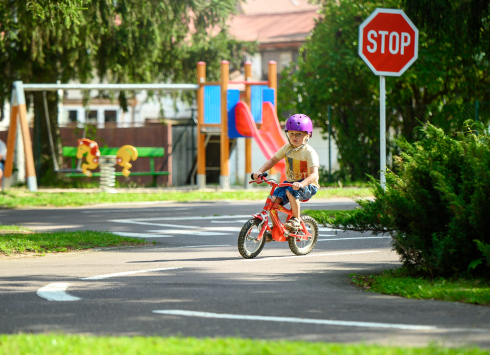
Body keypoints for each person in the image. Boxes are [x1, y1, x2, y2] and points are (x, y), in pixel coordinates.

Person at [253, 113, 319, 232]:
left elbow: (314, 175)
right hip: (290, 182)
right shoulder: (287, 148)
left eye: (299, 134)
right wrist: (260, 171)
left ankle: (296, 220)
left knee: (291, 191)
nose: (294, 136)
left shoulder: (309, 152)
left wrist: (302, 184)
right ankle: (275, 228)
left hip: (308, 184)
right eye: (291, 133)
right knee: (273, 200)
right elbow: (273, 160)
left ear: (307, 135)